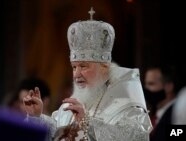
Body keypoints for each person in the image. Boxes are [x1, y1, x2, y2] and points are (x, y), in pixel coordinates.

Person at [23, 7, 152, 141]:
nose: (76, 74)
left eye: (83, 66)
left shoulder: (126, 103)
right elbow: (58, 133)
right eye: (74, 67)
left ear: (104, 67)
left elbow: (136, 136)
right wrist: (36, 117)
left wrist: (87, 123)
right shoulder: (71, 105)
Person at [144, 65, 177, 141]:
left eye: (151, 84)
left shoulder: (178, 113)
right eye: (146, 84)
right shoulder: (153, 116)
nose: (146, 89)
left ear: (169, 87)